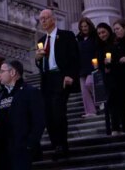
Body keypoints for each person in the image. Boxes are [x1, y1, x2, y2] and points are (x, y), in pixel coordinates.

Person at [35, 9, 78, 160]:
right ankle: (55, 144)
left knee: (58, 111)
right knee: (48, 114)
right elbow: (39, 64)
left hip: (61, 76)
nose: (43, 21)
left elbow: (74, 57)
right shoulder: (41, 41)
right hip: (47, 79)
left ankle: (62, 145)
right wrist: (38, 58)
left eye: (46, 18)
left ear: (54, 19)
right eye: (41, 19)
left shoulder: (66, 36)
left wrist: (70, 75)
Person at [0, 60, 45, 170]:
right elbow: (0, 121)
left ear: (12, 72)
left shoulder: (30, 92)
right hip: (3, 150)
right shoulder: (0, 95)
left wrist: (29, 144)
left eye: (2, 71)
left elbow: (39, 121)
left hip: (22, 149)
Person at [95, 22, 119, 133]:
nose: (102, 35)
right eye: (99, 33)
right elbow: (98, 62)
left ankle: (116, 127)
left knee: (116, 103)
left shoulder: (115, 43)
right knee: (109, 103)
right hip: (106, 78)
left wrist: (110, 64)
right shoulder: (99, 46)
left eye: (103, 32)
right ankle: (112, 128)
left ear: (108, 31)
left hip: (117, 77)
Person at [74, 18, 98, 118]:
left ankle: (100, 101)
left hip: (92, 66)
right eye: (82, 27)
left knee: (89, 83)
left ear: (89, 26)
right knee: (84, 92)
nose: (84, 28)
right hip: (81, 67)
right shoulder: (78, 38)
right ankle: (90, 111)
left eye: (86, 26)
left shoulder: (95, 37)